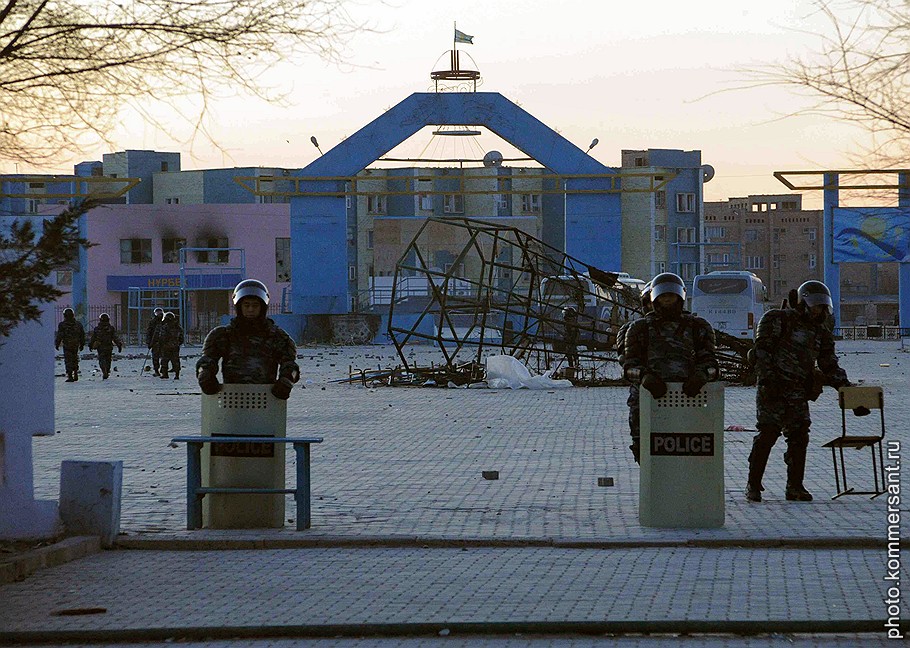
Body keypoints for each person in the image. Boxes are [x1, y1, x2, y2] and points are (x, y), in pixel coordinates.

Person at [746, 280, 851, 503]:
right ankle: (753, 484)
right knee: (768, 434)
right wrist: (767, 380)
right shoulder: (777, 319)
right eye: (815, 305)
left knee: (799, 436)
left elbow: (828, 363)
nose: (819, 310)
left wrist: (845, 387)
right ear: (803, 303)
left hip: (797, 390)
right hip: (772, 387)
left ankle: (795, 486)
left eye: (823, 306)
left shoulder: (820, 332)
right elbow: (761, 352)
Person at [622, 273, 719, 464]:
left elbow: (713, 366)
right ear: (655, 298)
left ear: (680, 298)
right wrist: (644, 377)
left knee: (689, 453)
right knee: (646, 452)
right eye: (663, 297)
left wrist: (701, 376)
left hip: (689, 399)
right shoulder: (639, 328)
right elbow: (628, 367)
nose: (667, 301)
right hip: (648, 399)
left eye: (671, 296)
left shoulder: (698, 327)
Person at [196, 279, 300, 399]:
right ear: (239, 306)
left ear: (262, 307)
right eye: (246, 305)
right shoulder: (223, 335)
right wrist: (205, 375)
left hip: (266, 401)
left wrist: (286, 380)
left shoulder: (277, 337)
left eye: (255, 305)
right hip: (231, 401)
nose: (250, 309)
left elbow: (290, 365)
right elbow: (207, 360)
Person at [615, 282, 652, 462]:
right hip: (643, 392)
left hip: (681, 392)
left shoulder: (687, 327)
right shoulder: (634, 329)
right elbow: (626, 362)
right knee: (641, 442)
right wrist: (644, 376)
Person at [88, 313, 123, 380]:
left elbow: (93, 338)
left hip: (100, 347)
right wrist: (119, 345)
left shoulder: (97, 329)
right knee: (108, 360)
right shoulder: (111, 329)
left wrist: (90, 345)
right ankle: (106, 370)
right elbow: (115, 338)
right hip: (108, 347)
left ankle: (104, 371)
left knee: (102, 360)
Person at [54, 308, 85, 382]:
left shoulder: (62, 325)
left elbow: (60, 335)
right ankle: (75, 372)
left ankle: (70, 375)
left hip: (67, 345)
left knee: (68, 360)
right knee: (75, 358)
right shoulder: (78, 324)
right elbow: (82, 335)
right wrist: (82, 344)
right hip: (75, 344)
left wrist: (57, 343)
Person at [158, 312, 184, 380]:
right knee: (175, 361)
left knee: (164, 360)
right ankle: (177, 375)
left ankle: (165, 374)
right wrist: (177, 343)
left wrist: (162, 344)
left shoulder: (165, 327)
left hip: (166, 347)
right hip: (175, 346)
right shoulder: (178, 327)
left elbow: (162, 337)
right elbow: (181, 338)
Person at [146, 307, 165, 376]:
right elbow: (149, 332)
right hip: (156, 342)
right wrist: (149, 342)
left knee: (163, 357)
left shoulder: (165, 321)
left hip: (163, 342)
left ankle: (161, 369)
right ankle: (157, 370)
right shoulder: (153, 322)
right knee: (156, 357)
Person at [562, 305, 579, 371]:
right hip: (570, 340)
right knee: (571, 353)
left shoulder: (571, 323)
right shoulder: (569, 322)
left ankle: (573, 366)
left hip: (571, 340)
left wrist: (570, 339)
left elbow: (573, 333)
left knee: (571, 353)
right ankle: (573, 366)